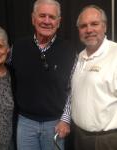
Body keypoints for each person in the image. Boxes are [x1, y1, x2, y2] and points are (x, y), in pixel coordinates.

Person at [0, 0, 75, 149]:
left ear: (59, 21)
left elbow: (73, 90)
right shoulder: (18, 47)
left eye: (52, 16)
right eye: (42, 15)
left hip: (55, 124)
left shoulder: (69, 51)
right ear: (33, 19)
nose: (46, 21)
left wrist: (65, 119)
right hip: (25, 123)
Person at [70, 5, 117, 150]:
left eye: (94, 24)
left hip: (105, 141)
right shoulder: (81, 56)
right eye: (83, 26)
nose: (89, 30)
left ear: (105, 26)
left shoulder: (115, 54)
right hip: (79, 136)